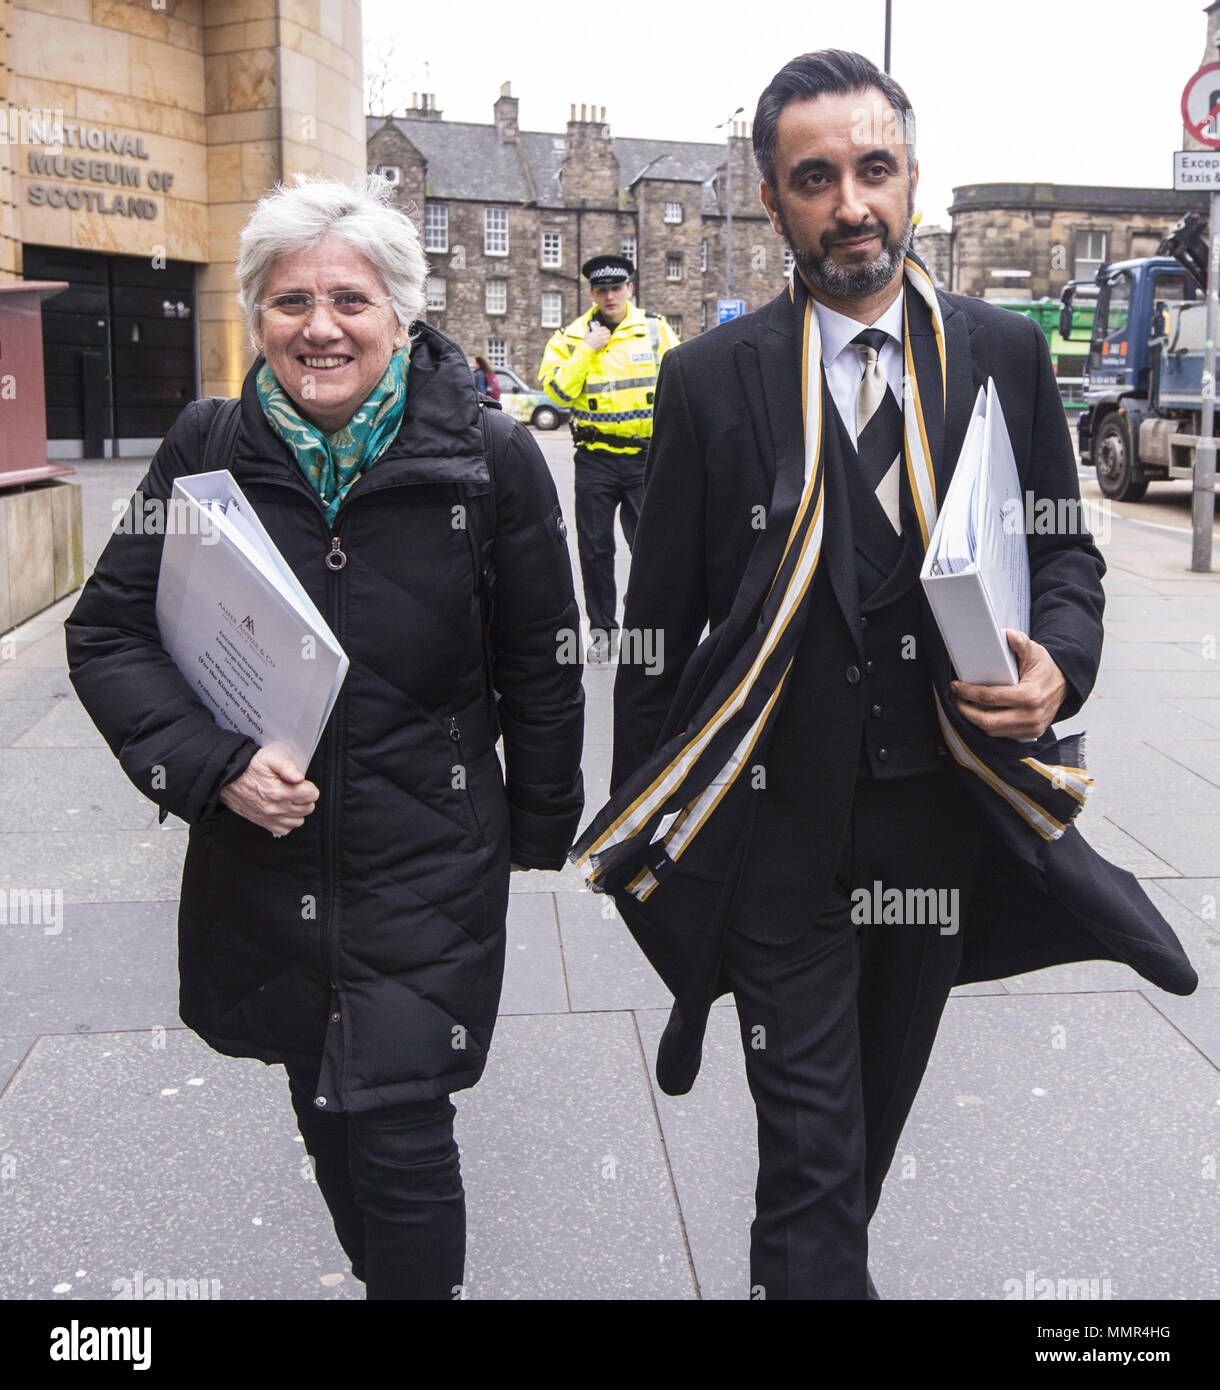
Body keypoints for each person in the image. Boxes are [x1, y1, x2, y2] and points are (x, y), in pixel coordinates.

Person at [573, 51, 1196, 1299]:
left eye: (872, 169)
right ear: (771, 200)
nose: (849, 201)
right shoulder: (708, 380)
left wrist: (1053, 671)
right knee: (807, 1161)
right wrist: (647, 832)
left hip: (934, 840)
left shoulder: (1002, 356)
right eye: (814, 178)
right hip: (773, 842)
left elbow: (1062, 559)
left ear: (911, 177)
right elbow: (657, 631)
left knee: (856, 1143)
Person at [65, 175, 585, 1300]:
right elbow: (106, 633)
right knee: (321, 1101)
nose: (319, 325)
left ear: (401, 313)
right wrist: (209, 770)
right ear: (256, 319)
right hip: (267, 858)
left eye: (348, 298)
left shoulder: (490, 458)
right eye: (289, 299)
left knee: (400, 1126)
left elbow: (541, 659)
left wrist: (537, 823)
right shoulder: (206, 445)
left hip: (426, 855)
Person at [538, 254, 678, 662]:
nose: (610, 296)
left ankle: (646, 627)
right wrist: (586, 351)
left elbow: (683, 381)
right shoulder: (571, 337)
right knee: (595, 549)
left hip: (644, 460)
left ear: (629, 289)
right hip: (595, 458)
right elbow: (557, 393)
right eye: (602, 290)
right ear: (592, 294)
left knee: (649, 548)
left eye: (617, 288)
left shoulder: (654, 330)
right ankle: (602, 631)